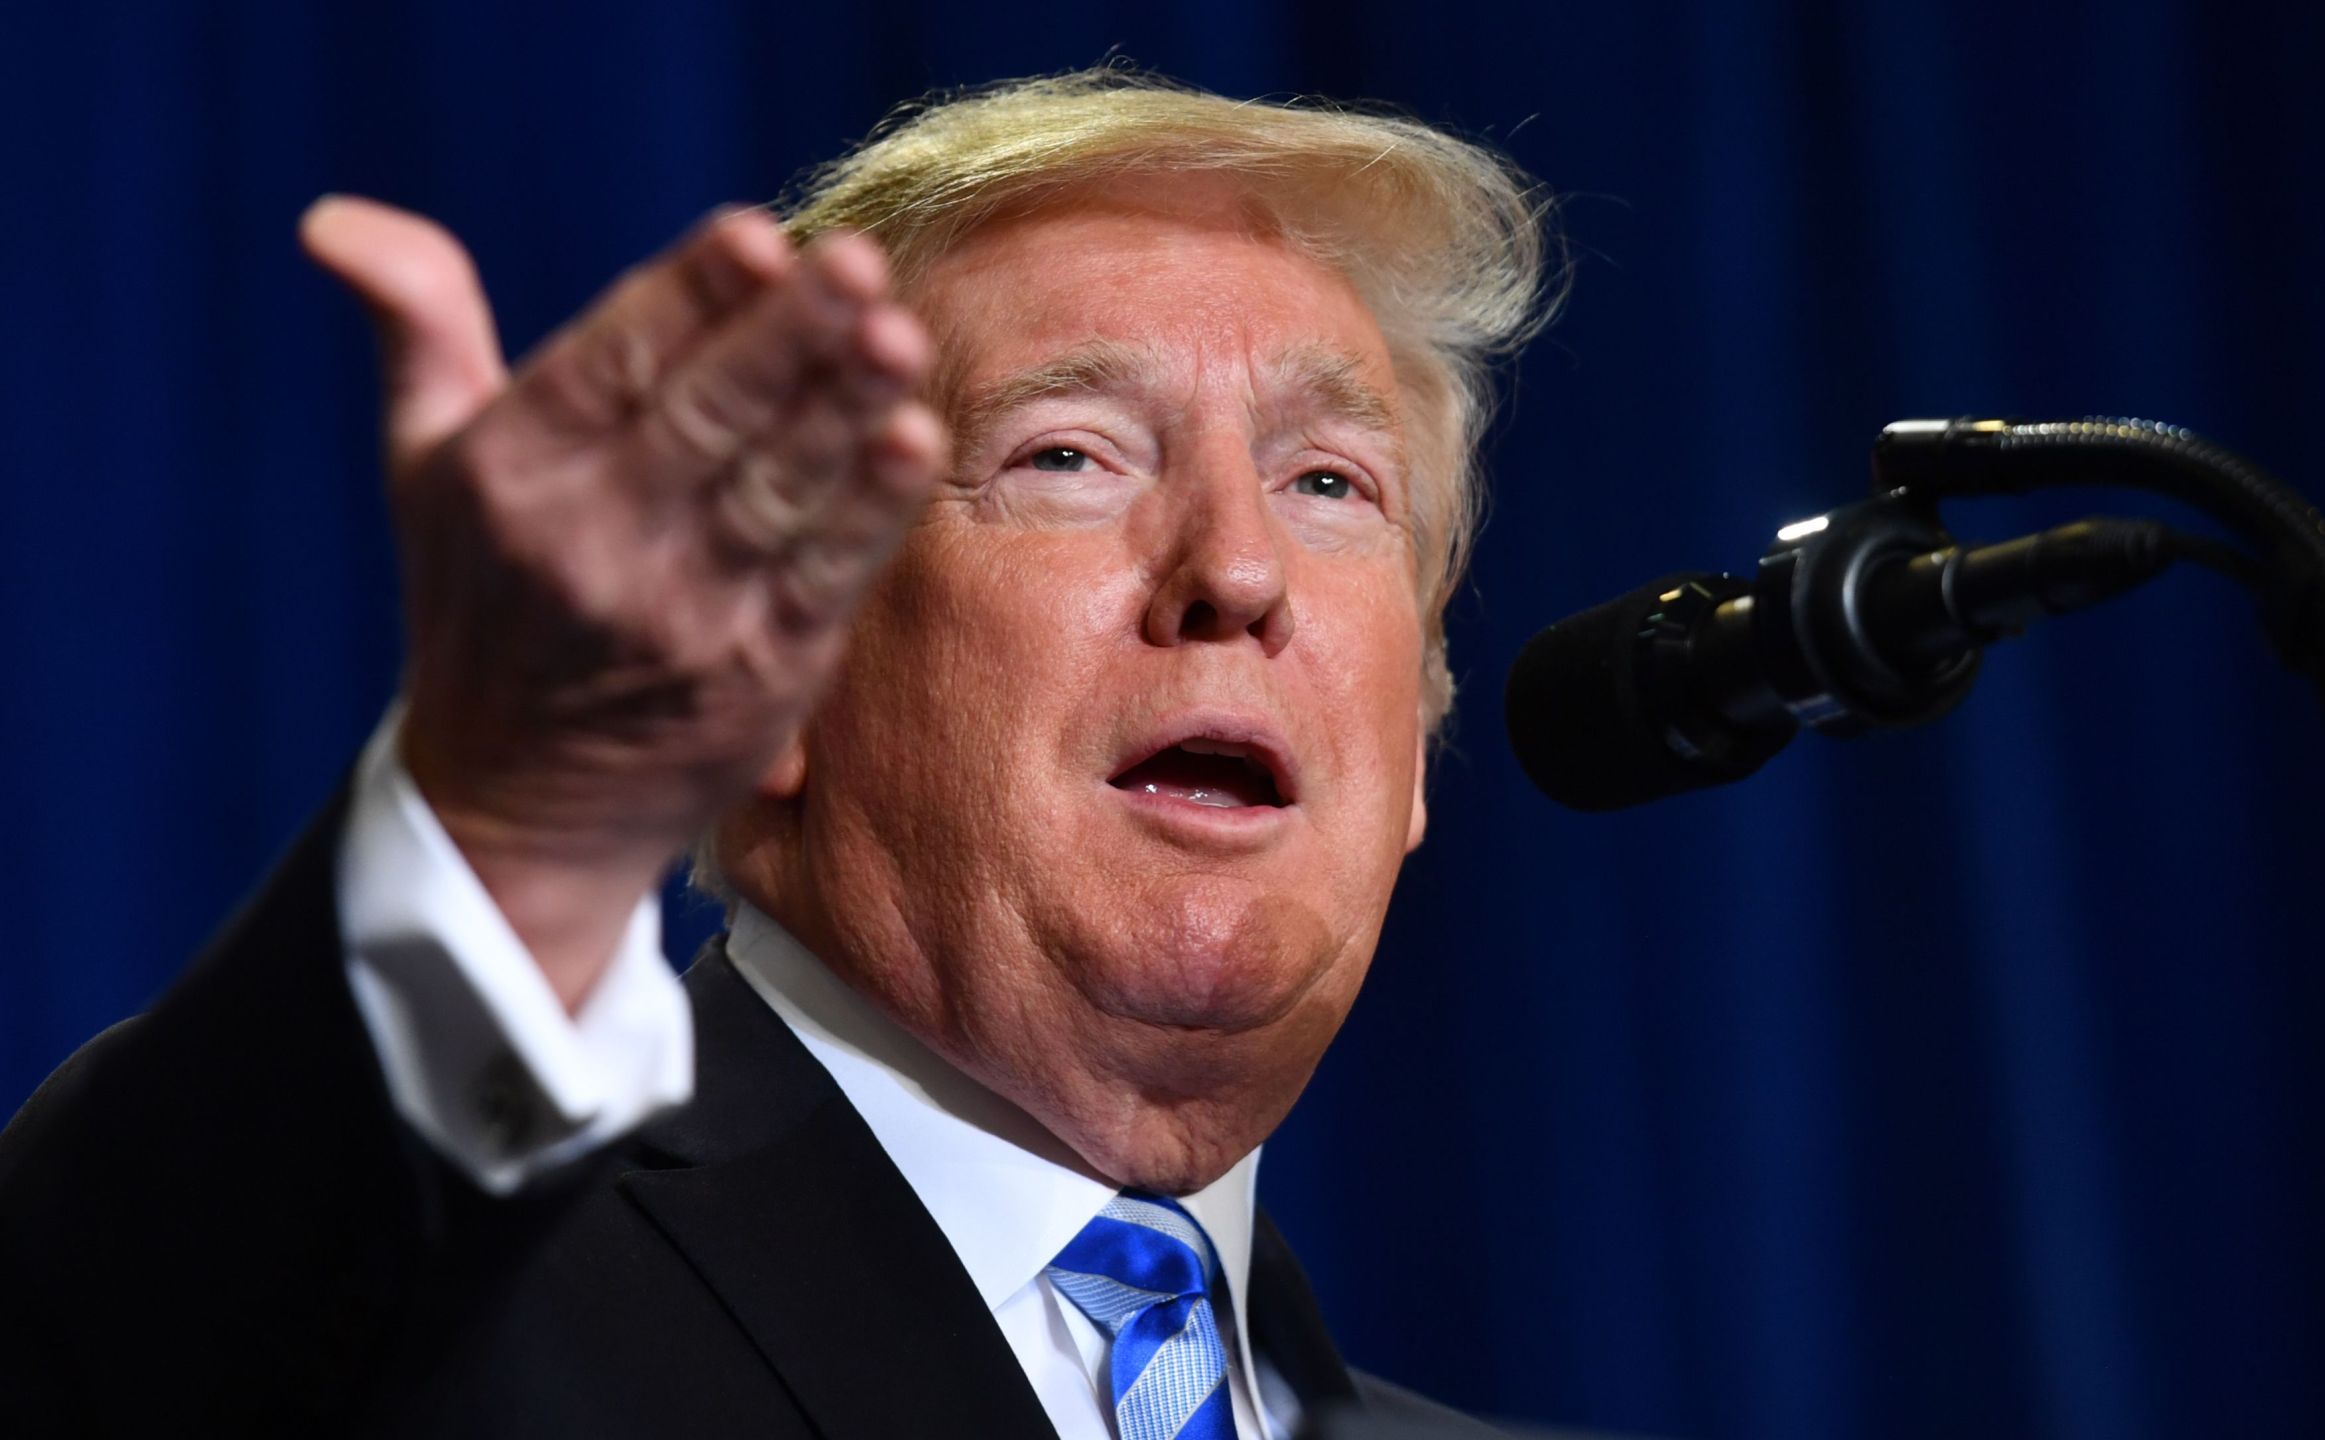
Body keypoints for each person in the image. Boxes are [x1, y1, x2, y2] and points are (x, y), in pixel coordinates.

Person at [0, 67, 1552, 1437]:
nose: (1241, 567)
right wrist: (518, 835)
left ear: (1413, 750)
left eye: (1332, 483)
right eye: (1068, 454)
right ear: (772, 670)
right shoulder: (421, 1318)